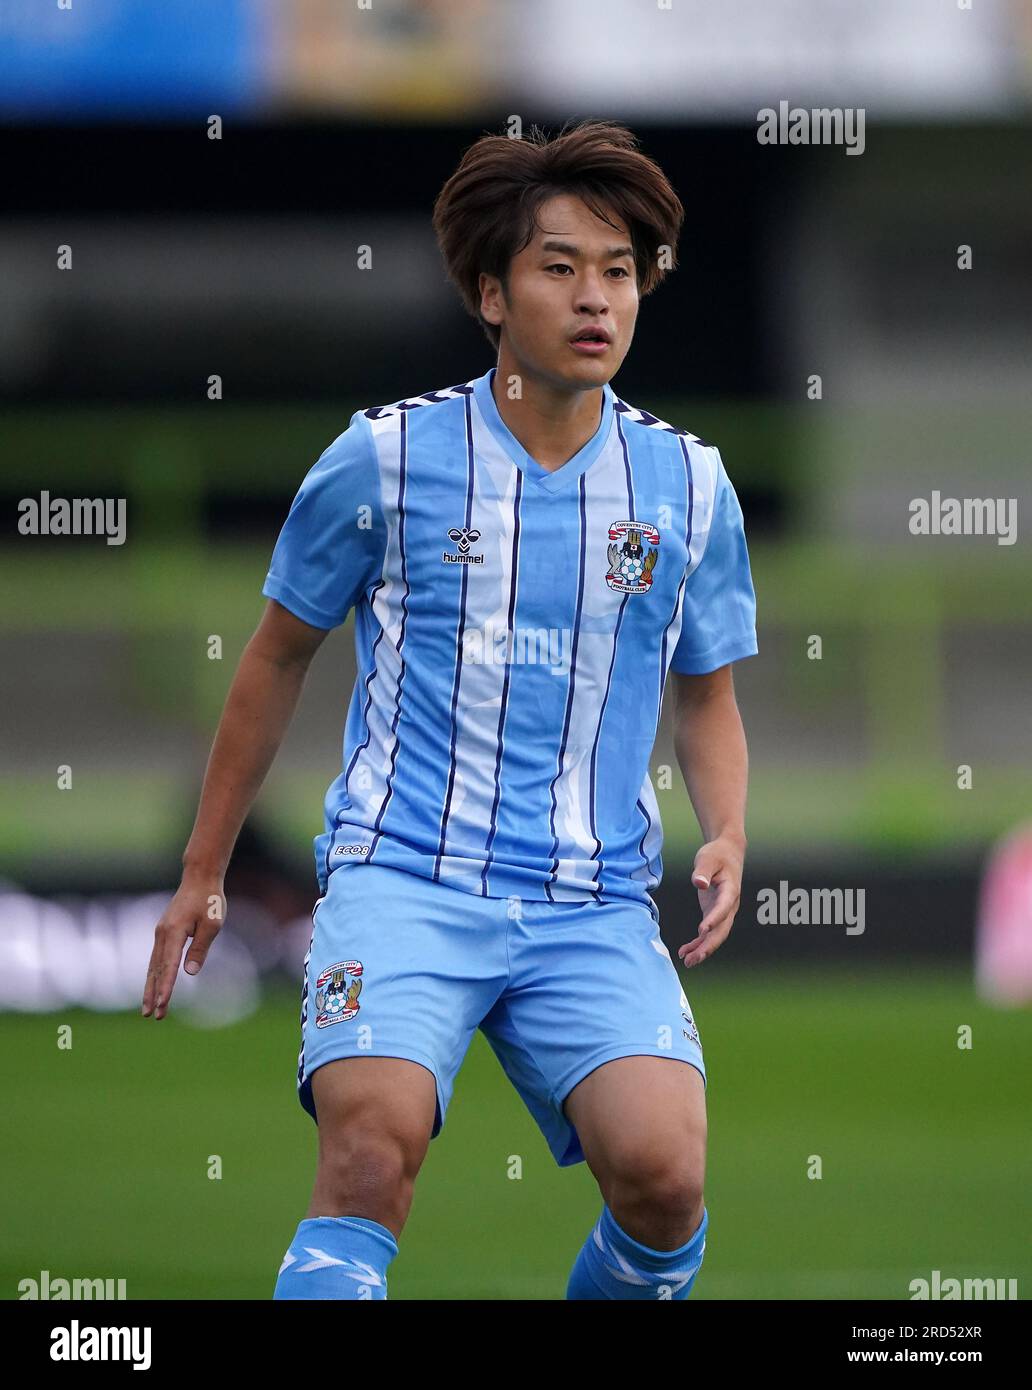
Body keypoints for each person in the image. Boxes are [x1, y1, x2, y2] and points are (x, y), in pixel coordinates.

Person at [141, 119, 758, 1301]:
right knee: (371, 1150)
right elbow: (274, 658)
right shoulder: (385, 459)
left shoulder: (690, 483)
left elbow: (710, 687)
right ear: (490, 291)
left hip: (588, 896)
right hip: (405, 873)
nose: (597, 298)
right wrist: (205, 868)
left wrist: (725, 825)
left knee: (666, 1174)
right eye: (561, 267)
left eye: (620, 270)